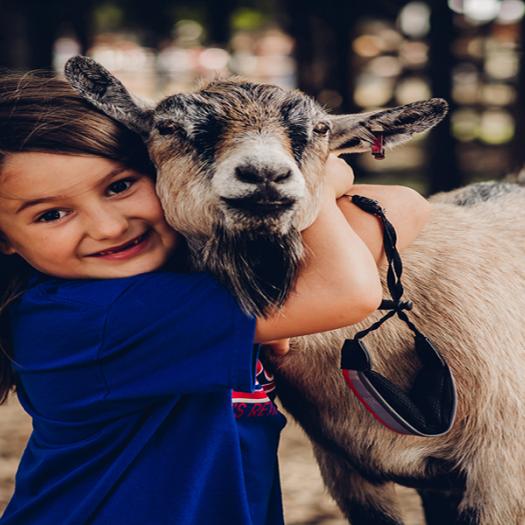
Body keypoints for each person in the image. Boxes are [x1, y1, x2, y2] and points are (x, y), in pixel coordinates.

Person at [0, 73, 430, 525]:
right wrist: (316, 178)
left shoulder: (188, 280)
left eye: (120, 186)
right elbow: (346, 288)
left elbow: (405, 205)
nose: (109, 227)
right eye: (52, 214)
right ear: (4, 239)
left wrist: (307, 175)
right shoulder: (95, 317)